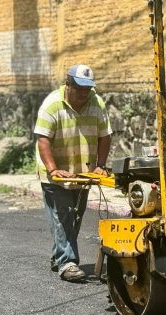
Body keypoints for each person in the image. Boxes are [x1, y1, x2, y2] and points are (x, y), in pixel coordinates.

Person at [34, 64, 112, 282]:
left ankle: (58, 256)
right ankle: (67, 262)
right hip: (55, 174)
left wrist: (101, 164)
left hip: (82, 174)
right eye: (79, 88)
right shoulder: (52, 104)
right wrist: (53, 169)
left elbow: (105, 136)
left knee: (75, 216)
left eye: (87, 89)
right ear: (68, 84)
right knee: (63, 216)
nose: (84, 93)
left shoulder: (97, 103)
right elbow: (43, 140)